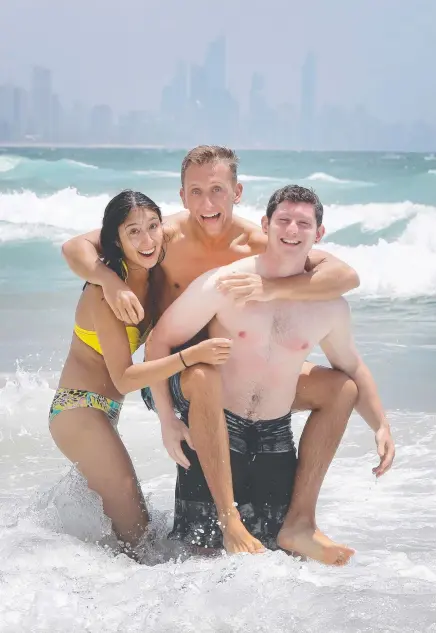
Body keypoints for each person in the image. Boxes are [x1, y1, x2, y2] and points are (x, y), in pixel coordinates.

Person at [61, 145, 361, 555]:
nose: (208, 202)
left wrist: (273, 287)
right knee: (135, 525)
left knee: (335, 387)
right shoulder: (161, 237)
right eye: (196, 191)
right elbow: (76, 247)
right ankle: (209, 533)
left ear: (237, 192)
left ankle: (299, 523)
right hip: (160, 375)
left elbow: (344, 275)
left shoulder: (259, 241)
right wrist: (108, 281)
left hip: (222, 369)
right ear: (182, 195)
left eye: (218, 189)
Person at [146, 184, 395, 565]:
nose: (292, 230)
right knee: (197, 560)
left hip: (274, 434)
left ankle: (301, 522)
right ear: (266, 224)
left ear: (319, 234)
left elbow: (352, 366)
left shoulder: (329, 308)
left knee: (279, 562)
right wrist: (167, 420)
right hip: (217, 429)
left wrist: (380, 425)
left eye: (303, 223)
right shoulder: (226, 283)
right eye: (283, 220)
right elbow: (160, 340)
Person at [49, 189, 231, 559]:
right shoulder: (105, 293)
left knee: (132, 529)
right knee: (139, 537)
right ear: (115, 239)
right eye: (133, 232)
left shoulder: (152, 279)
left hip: (103, 412)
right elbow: (125, 378)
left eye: (153, 227)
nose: (147, 240)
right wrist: (192, 356)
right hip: (78, 409)